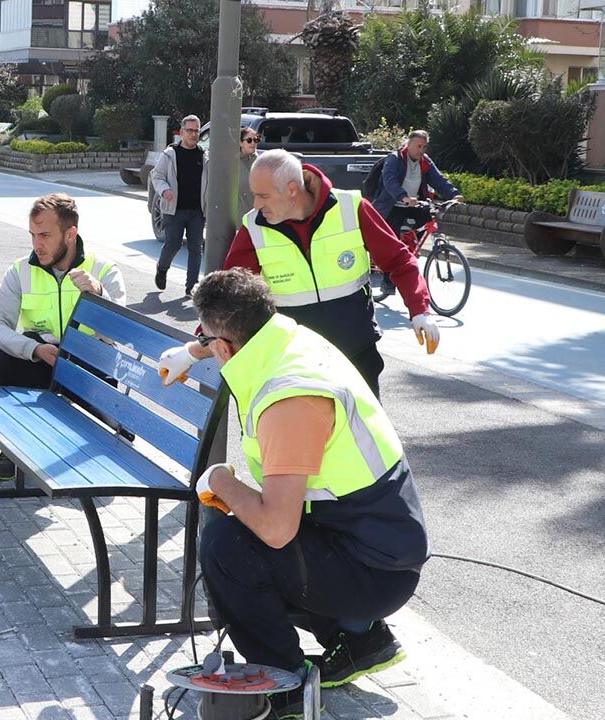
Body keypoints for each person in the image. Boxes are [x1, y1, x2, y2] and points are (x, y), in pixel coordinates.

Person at [162, 269, 429, 718]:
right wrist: (192, 351)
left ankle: (282, 684)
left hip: (375, 569)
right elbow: (230, 340)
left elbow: (276, 529)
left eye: (206, 339)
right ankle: (360, 640)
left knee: (227, 546)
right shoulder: (285, 339)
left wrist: (220, 481)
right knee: (245, 532)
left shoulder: (288, 398)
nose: (206, 346)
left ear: (225, 347)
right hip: (373, 537)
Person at [214, 150, 440, 398]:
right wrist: (200, 344)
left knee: (363, 423)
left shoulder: (350, 207)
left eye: (263, 196)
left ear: (292, 189)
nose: (256, 204)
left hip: (355, 352)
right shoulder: (254, 227)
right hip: (292, 360)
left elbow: (399, 260)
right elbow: (230, 294)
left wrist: (420, 310)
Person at [0, 193, 126, 483]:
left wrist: (99, 294)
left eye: (44, 235)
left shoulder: (103, 270)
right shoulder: (21, 270)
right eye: (32, 235)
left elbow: (120, 336)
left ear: (70, 234)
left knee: (111, 444)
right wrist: (34, 349)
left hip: (87, 370)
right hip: (42, 361)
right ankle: (9, 450)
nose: (36, 244)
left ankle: (97, 439)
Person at [371, 130, 465, 294]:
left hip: (414, 204)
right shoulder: (395, 159)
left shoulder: (424, 161)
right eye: (418, 146)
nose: (421, 150)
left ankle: (411, 249)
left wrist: (453, 194)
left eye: (424, 147)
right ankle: (387, 281)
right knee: (392, 242)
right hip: (392, 205)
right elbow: (389, 180)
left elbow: (438, 179)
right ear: (408, 145)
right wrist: (403, 197)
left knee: (427, 218)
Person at [150, 114, 207, 296]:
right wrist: (165, 190)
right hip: (174, 210)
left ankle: (192, 287)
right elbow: (156, 176)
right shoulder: (170, 154)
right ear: (182, 132)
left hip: (197, 211)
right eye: (190, 130)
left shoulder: (204, 156)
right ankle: (162, 268)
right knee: (173, 245)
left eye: (197, 130)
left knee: (196, 248)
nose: (194, 134)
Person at [237, 126, 261, 221]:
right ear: (240, 143)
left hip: (255, 213)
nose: (253, 143)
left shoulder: (259, 161)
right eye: (249, 140)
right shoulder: (232, 162)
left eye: (256, 140)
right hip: (238, 216)